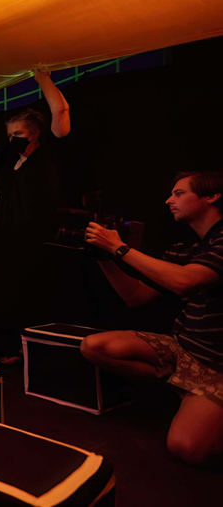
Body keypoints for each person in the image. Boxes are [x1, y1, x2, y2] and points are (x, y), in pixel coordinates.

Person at [81, 171, 223, 466]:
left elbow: (185, 282)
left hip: (218, 366)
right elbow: (135, 296)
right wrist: (104, 258)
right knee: (94, 346)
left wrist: (119, 248)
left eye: (179, 193)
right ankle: (190, 393)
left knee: (187, 447)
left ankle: (203, 402)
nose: (169, 200)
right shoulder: (188, 250)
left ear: (211, 196)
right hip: (185, 349)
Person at [0, 69, 71, 364]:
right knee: (3, 293)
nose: (12, 139)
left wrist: (42, 80)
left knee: (33, 293)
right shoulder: (6, 158)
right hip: (4, 239)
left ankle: (36, 351)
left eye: (18, 134)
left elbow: (61, 110)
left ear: (34, 133)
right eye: (9, 134)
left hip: (36, 239)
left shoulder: (49, 153)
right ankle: (8, 348)